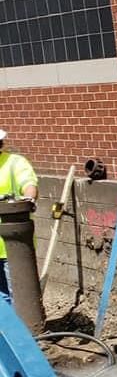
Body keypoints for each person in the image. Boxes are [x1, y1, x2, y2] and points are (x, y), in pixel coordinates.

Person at [0, 128, 39, 305]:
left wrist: (29, 198)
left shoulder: (14, 163)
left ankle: (23, 331)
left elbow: (28, 183)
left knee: (20, 297)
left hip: (13, 245)